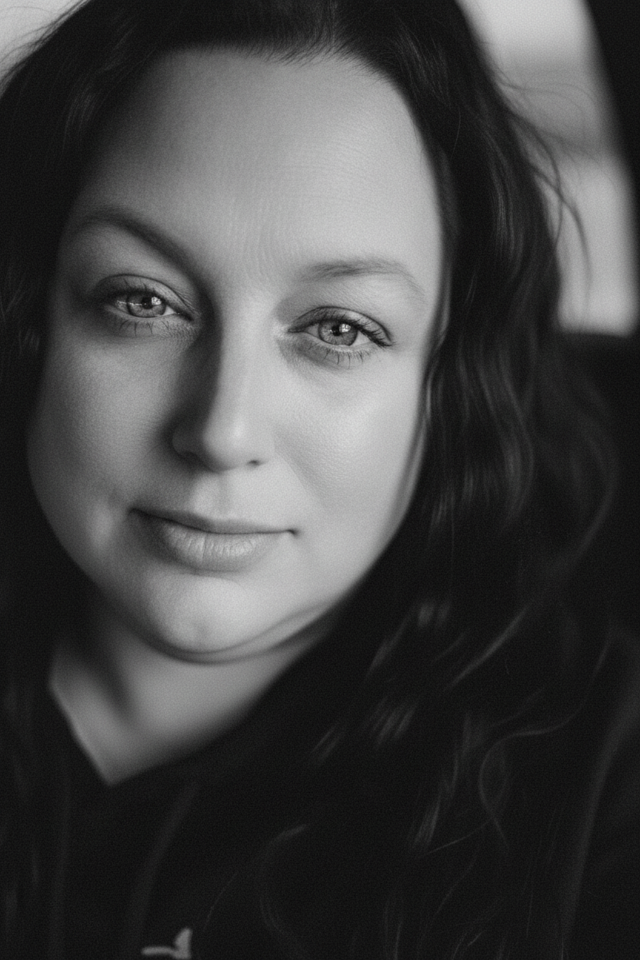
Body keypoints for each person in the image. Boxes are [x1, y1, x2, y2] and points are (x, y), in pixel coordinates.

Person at [0, 0, 638, 957]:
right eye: (142, 301)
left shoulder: (599, 788)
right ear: (27, 317)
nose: (224, 432)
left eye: (339, 328)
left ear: (448, 378)